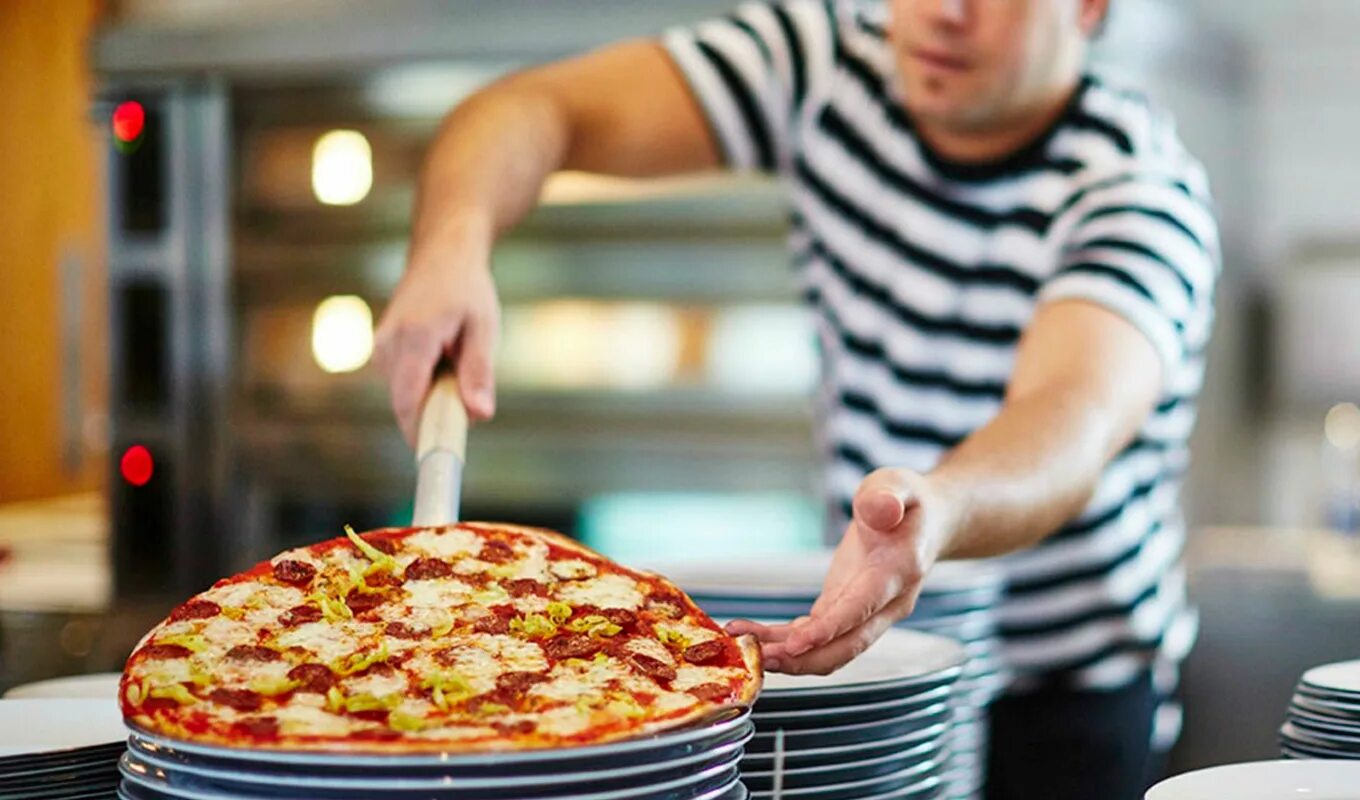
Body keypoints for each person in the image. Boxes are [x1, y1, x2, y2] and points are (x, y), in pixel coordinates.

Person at [374, 0, 1218, 797]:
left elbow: (1069, 417)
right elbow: (532, 107)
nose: (943, 14)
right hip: (868, 665)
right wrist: (451, 246)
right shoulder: (827, 61)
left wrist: (939, 509)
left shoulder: (1137, 189)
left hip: (1065, 696)